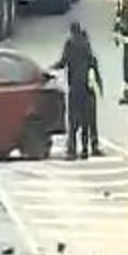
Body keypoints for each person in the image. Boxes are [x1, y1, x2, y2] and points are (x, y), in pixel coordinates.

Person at [53, 21, 96, 160]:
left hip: (75, 87)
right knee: (86, 120)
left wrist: (52, 68)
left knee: (73, 120)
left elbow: (63, 62)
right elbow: (92, 62)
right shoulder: (86, 43)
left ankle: (72, 149)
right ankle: (85, 150)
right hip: (86, 87)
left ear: (72, 31)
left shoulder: (70, 44)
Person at [81, 32, 103, 158]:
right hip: (90, 93)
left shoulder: (76, 55)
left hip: (81, 92)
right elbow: (97, 76)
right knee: (92, 123)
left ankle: (84, 149)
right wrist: (100, 88)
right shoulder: (91, 58)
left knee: (84, 123)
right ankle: (94, 146)